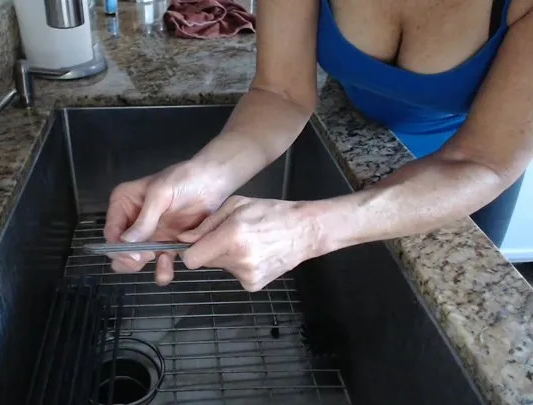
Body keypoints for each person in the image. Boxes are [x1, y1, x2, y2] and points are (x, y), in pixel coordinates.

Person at [103, 0, 533, 292]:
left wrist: (309, 228)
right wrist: (205, 176)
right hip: (354, 125)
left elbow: (485, 159)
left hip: (468, 170)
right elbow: (281, 92)